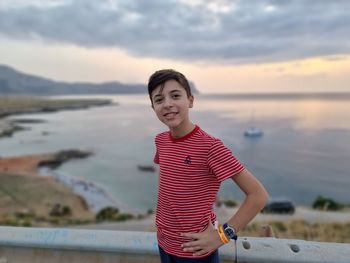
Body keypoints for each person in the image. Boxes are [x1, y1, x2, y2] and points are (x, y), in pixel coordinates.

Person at [148, 69, 269, 262]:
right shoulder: (161, 141)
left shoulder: (210, 146)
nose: (168, 104)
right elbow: (174, 186)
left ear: (191, 100)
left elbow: (258, 195)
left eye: (175, 95)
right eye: (159, 99)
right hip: (164, 243)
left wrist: (222, 235)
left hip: (196, 251)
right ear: (153, 107)